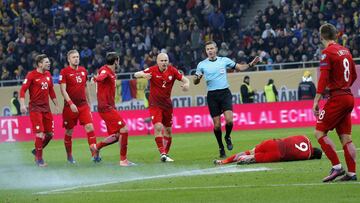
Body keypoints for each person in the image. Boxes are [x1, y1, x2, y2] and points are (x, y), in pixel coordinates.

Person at [194, 41, 259, 158]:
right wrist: (197, 78)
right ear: (206, 51)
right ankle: (221, 147)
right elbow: (195, 80)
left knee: (229, 121)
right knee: (217, 126)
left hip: (225, 93)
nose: (210, 51)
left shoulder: (224, 60)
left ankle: (227, 136)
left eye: (211, 48)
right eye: (208, 49)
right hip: (212, 95)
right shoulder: (202, 65)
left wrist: (250, 64)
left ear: (216, 49)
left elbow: (239, 67)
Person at [313, 23, 357, 182]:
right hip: (348, 96)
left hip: (337, 98)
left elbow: (323, 78)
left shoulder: (327, 53)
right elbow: (353, 76)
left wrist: (316, 100)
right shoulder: (346, 51)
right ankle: (351, 173)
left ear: (321, 36)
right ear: (336, 35)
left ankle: (337, 167)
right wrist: (343, 86)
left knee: (319, 132)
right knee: (346, 137)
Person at [134, 53, 190, 162]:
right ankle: (162, 153)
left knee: (168, 131)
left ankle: (166, 154)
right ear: (158, 62)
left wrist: (187, 85)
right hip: (155, 104)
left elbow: (186, 80)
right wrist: (143, 75)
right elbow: (136, 74)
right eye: (162, 61)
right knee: (158, 127)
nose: (164, 62)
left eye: (166, 60)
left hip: (167, 105)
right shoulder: (152, 70)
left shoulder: (172, 70)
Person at [91, 52, 135, 166]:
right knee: (124, 129)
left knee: (117, 136)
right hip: (106, 107)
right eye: (118, 60)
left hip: (109, 107)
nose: (118, 63)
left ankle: (96, 147)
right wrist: (97, 78)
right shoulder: (105, 71)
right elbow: (102, 77)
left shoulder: (110, 72)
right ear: (116, 61)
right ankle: (123, 160)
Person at [19, 54, 59, 167]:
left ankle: (36, 150)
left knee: (50, 134)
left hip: (46, 109)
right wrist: (22, 104)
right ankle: (39, 159)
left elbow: (51, 91)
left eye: (48, 62)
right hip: (35, 109)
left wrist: (56, 105)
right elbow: (23, 91)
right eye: (46, 62)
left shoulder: (48, 74)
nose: (49, 63)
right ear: (39, 64)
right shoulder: (31, 75)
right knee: (40, 133)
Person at [59, 50, 97, 163]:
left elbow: (85, 87)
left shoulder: (83, 70)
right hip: (69, 107)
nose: (76, 59)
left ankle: (95, 155)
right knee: (69, 131)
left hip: (83, 105)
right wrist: (70, 104)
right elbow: (63, 90)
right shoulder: (64, 72)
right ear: (69, 59)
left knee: (90, 127)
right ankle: (69, 156)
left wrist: (89, 103)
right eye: (74, 57)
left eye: (77, 57)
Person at [214, 135, 322, 165]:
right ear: (313, 156)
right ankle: (244, 159)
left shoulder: (304, 137)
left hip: (273, 142)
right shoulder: (307, 156)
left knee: (250, 151)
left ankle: (224, 161)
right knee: (251, 158)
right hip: (277, 155)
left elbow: (292, 138)